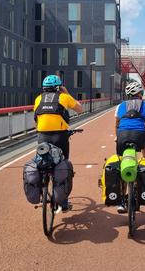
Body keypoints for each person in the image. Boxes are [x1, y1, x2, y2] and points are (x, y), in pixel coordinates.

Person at [34, 74, 83, 211]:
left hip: (42, 136)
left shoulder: (38, 99)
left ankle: (41, 187)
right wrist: (66, 93)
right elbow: (80, 108)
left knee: (42, 162)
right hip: (60, 137)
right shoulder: (63, 97)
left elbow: (36, 121)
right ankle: (64, 202)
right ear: (59, 87)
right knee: (63, 165)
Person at [114, 81, 145, 213]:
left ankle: (121, 201)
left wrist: (116, 137)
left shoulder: (120, 106)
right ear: (139, 94)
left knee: (121, 166)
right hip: (140, 136)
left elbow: (117, 125)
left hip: (122, 137)